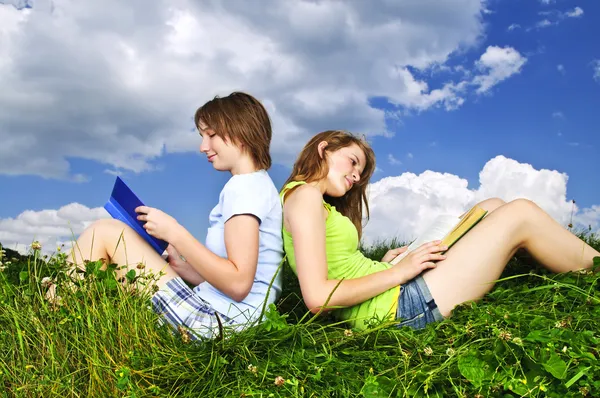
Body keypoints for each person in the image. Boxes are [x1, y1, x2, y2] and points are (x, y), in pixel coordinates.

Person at [280, 130, 600, 330]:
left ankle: (561, 268)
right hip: (400, 307)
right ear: (323, 149)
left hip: (392, 290)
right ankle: (593, 270)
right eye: (352, 162)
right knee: (520, 214)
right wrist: (399, 273)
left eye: (359, 173)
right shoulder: (305, 196)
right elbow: (318, 297)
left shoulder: (308, 200)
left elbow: (339, 266)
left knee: (491, 206)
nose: (355, 176)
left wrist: (386, 263)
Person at [65, 92, 284, 339]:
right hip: (235, 322)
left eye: (211, 135)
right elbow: (237, 280)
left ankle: (55, 318)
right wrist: (185, 267)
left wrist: (176, 233)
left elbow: (238, 284)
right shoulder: (258, 186)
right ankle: (69, 323)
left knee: (104, 232)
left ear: (242, 133)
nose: (203, 147)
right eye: (202, 136)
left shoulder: (243, 187)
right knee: (120, 260)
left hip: (218, 325)